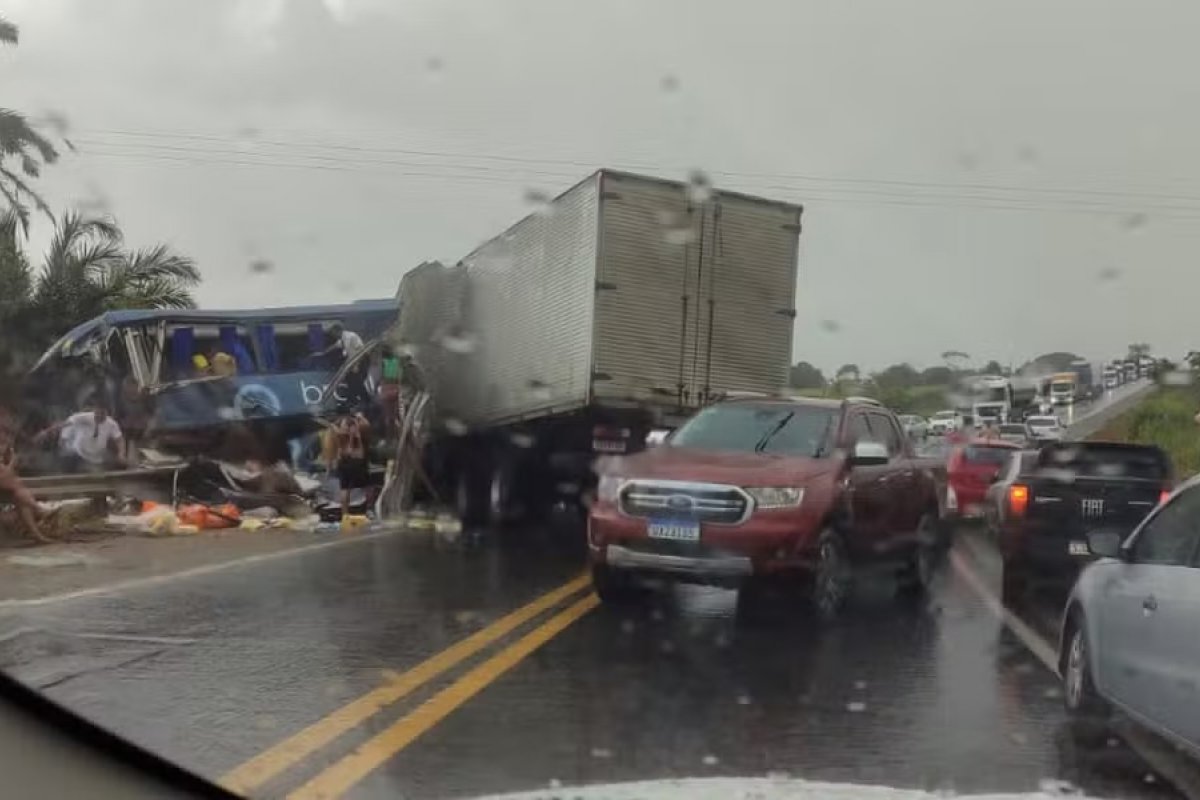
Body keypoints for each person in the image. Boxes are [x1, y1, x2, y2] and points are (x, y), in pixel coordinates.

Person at [34, 401, 126, 473]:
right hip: (79, 454)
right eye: (97, 413)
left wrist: (121, 454)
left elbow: (119, 439)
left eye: (102, 414)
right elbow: (64, 424)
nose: (99, 416)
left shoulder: (111, 424)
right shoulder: (84, 417)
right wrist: (46, 432)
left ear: (106, 413)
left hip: (96, 458)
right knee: (71, 462)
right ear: (95, 410)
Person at [331, 410, 370, 525]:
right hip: (356, 462)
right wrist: (359, 420)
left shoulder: (339, 431)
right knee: (366, 487)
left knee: (344, 489)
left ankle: (345, 514)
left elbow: (340, 450)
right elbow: (360, 453)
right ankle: (366, 511)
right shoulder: (355, 427)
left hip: (343, 462)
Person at [319, 323, 370, 408]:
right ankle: (354, 400)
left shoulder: (350, 336)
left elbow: (357, 351)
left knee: (355, 380)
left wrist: (355, 365)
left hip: (360, 359)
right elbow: (336, 345)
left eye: (333, 333)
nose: (333, 335)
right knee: (350, 380)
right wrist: (324, 352)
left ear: (338, 331)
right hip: (352, 360)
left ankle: (363, 400)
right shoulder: (342, 338)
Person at [378, 346, 402, 441]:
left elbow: (382, 378)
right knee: (397, 416)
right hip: (395, 388)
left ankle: (390, 438)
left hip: (387, 390)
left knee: (389, 418)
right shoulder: (396, 362)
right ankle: (398, 437)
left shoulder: (385, 363)